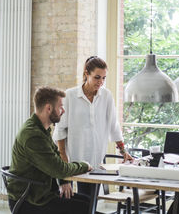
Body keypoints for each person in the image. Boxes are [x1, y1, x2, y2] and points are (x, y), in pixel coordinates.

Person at [53, 56, 133, 196]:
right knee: (67, 200)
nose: (101, 82)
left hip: (95, 161)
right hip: (72, 160)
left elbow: (114, 125)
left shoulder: (106, 96)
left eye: (103, 78)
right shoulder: (70, 96)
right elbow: (60, 130)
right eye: (97, 77)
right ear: (86, 74)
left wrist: (123, 151)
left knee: (89, 202)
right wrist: (63, 162)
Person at [7, 86, 92, 214]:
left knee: (87, 202)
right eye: (60, 107)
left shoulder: (40, 128)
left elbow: (56, 159)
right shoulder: (33, 135)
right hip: (29, 201)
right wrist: (84, 166)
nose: (63, 110)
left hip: (41, 193)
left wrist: (63, 181)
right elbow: (60, 169)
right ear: (49, 108)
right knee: (85, 208)